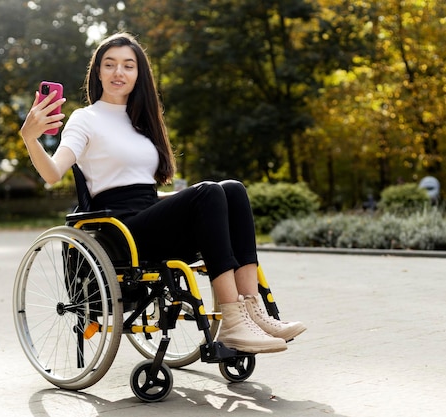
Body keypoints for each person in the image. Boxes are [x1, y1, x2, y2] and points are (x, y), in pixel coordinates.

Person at [20, 32, 305, 354]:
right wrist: (30, 138)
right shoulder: (85, 119)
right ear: (97, 72)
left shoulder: (143, 123)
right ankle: (234, 321)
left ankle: (254, 311)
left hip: (150, 214)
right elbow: (52, 173)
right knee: (208, 191)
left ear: (139, 73)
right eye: (110, 64)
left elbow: (151, 187)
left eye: (128, 65)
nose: (119, 72)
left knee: (233, 190)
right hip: (120, 229)